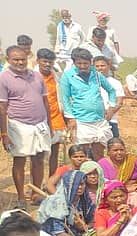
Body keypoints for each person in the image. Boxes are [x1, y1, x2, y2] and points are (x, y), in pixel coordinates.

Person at [0, 45, 52, 207]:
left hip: (40, 125)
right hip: (18, 125)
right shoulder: (4, 78)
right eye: (16, 59)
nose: (20, 62)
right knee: (20, 161)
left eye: (22, 59)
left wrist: (49, 125)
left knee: (39, 159)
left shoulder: (36, 76)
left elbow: (45, 102)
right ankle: (21, 197)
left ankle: (36, 194)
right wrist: (4, 134)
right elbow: (2, 108)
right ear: (8, 60)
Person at [59, 48, 117, 159]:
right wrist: (70, 118)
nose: (82, 66)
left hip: (99, 120)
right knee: (82, 154)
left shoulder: (97, 75)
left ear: (90, 62)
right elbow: (65, 99)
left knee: (99, 153)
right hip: (81, 120)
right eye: (79, 63)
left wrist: (112, 107)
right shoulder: (68, 76)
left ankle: (98, 170)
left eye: (85, 63)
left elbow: (111, 91)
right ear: (74, 63)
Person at [37, 169, 95, 236]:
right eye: (76, 185)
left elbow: (93, 221)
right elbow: (58, 233)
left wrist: (84, 227)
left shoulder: (85, 201)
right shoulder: (56, 203)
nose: (79, 187)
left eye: (82, 184)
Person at [35, 49, 66, 176]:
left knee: (55, 152)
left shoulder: (56, 76)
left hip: (56, 117)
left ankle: (51, 181)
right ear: (38, 61)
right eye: (44, 61)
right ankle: (37, 184)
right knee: (38, 155)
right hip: (39, 118)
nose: (47, 64)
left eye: (50, 62)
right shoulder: (32, 76)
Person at [90, 56, 123, 139]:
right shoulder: (89, 82)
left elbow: (119, 102)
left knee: (113, 143)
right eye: (97, 66)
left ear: (108, 66)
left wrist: (110, 113)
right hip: (92, 120)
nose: (100, 68)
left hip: (110, 120)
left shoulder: (115, 83)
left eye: (102, 65)